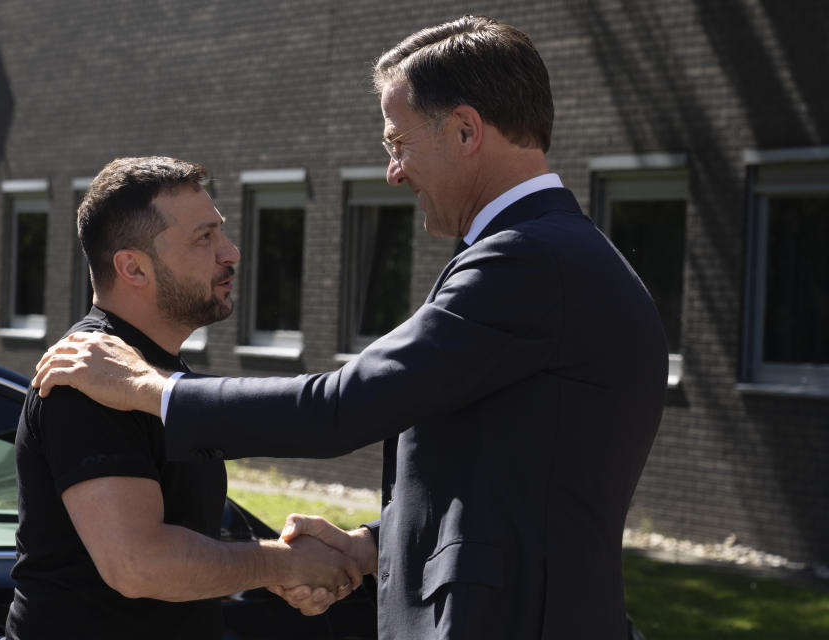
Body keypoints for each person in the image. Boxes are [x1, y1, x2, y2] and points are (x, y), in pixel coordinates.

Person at [32, 17, 668, 640]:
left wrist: (151, 389)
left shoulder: (527, 260)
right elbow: (505, 484)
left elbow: (341, 407)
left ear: (467, 130)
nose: (395, 171)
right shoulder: (544, 252)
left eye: (398, 142)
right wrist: (369, 547)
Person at [5, 156, 360, 640]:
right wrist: (279, 563)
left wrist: (276, 565)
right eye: (204, 238)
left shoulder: (146, 371)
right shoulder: (87, 377)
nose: (231, 252)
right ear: (133, 267)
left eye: (222, 233)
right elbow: (138, 563)